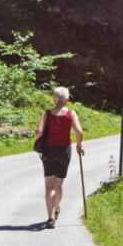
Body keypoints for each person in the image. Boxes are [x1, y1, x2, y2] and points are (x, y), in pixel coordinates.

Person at [35, 86, 85, 229]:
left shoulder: (47, 114)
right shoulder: (71, 113)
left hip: (49, 151)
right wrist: (79, 145)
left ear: (54, 98)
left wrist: (39, 134)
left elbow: (38, 132)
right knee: (59, 184)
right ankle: (56, 208)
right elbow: (79, 131)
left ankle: (51, 218)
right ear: (67, 100)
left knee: (49, 186)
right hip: (64, 152)